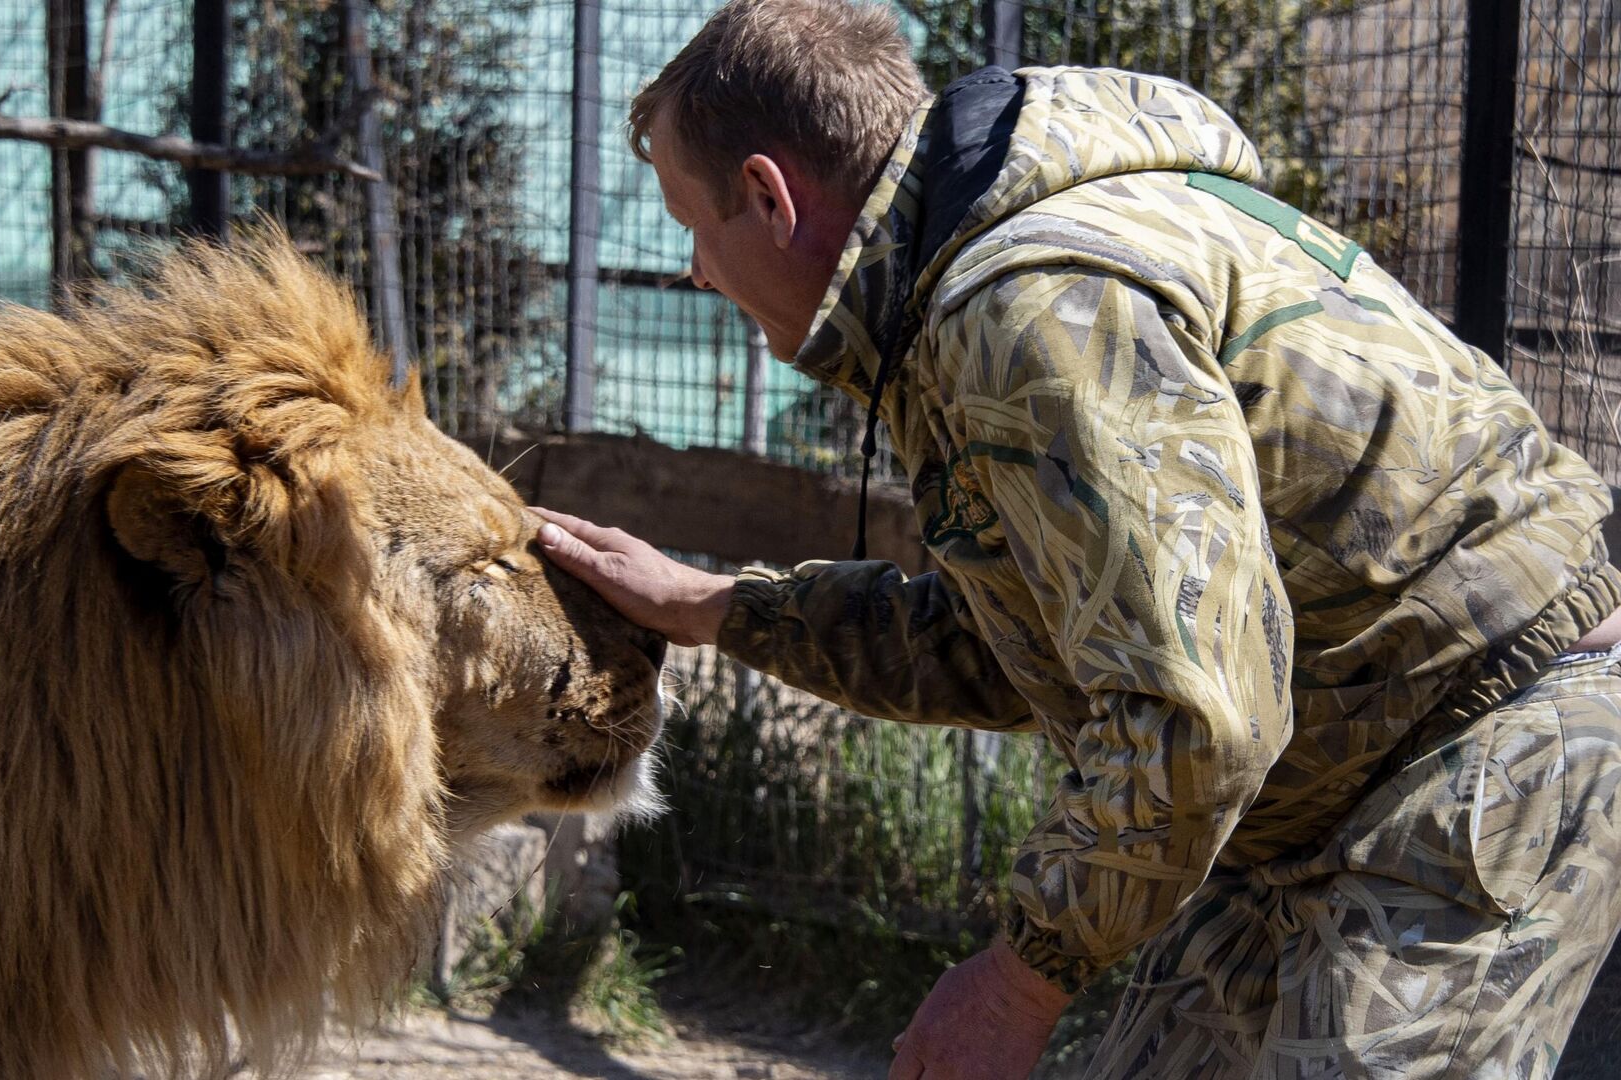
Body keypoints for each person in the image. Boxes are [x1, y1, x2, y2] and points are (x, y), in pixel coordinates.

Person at [531, 1, 1621, 1077]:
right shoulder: (968, 285)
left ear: (769, 197)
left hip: (1487, 740)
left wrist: (1021, 979)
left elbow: (1201, 719)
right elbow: (1028, 641)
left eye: (692, 224)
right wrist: (725, 609)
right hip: (1323, 784)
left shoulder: (1032, 307)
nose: (693, 271)